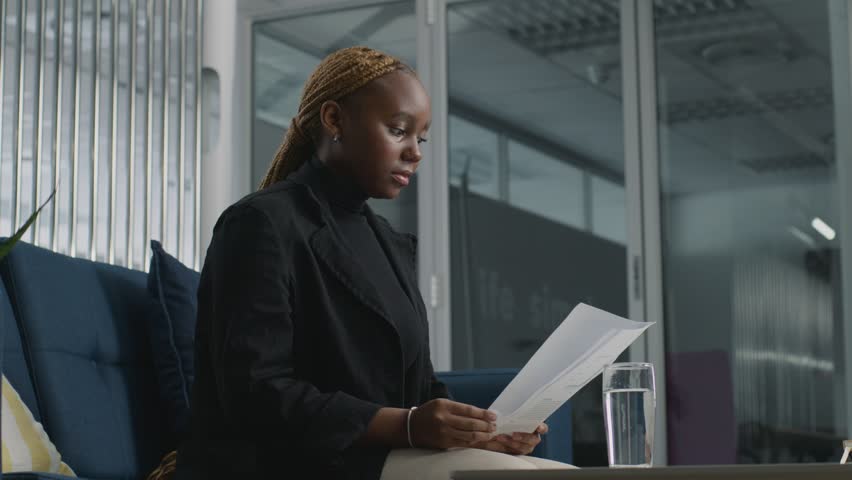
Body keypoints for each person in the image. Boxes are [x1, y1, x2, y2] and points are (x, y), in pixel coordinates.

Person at [174, 46, 573, 480]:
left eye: (419, 139)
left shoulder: (389, 243)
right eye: (398, 130)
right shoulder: (260, 223)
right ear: (333, 120)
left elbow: (420, 389)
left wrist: (477, 434)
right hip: (292, 464)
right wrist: (404, 425)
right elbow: (255, 394)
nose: (415, 153)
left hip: (380, 459)